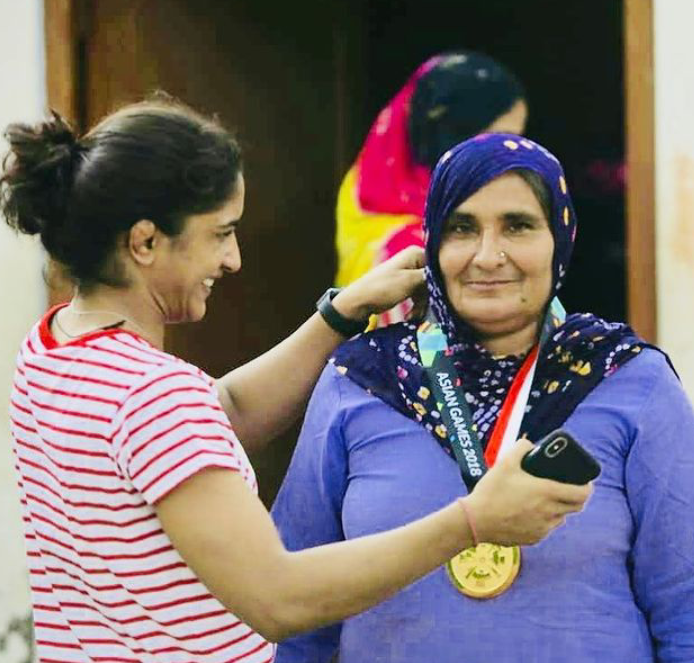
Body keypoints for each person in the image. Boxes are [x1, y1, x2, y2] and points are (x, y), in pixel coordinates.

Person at [2, 101, 591, 663]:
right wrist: (471, 523)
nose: (232, 260)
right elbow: (280, 598)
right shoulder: (153, 395)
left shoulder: (51, 353)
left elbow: (217, 411)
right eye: (220, 233)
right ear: (146, 241)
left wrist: (339, 316)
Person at [272, 133, 694, 662]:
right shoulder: (360, 381)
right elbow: (293, 611)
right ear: (431, 245)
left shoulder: (631, 380)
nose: (488, 256)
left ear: (560, 237)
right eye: (461, 228)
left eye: (518, 226)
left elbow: (685, 607)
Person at [335, 50, 527, 324]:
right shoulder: (415, 253)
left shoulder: (366, 179)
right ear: (453, 136)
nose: (512, 157)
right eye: (500, 140)